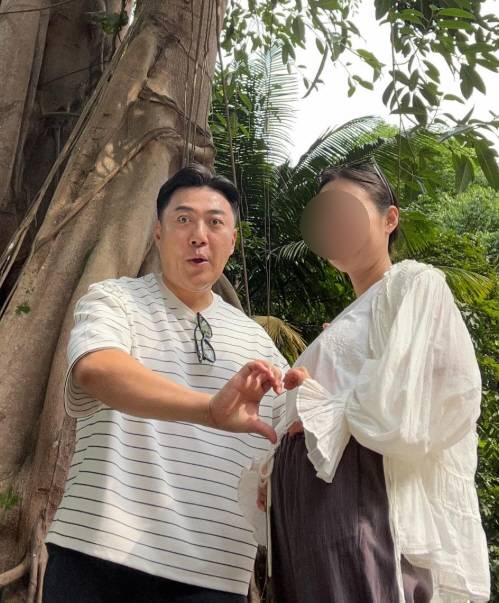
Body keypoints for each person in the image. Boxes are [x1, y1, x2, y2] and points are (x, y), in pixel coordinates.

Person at [239, 160, 490, 602]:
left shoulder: (414, 284)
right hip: (305, 516)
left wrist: (326, 406)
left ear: (389, 218)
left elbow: (433, 398)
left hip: (361, 507)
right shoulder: (344, 320)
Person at [43, 164, 288, 602]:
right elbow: (97, 369)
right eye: (183, 219)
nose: (199, 236)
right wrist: (208, 410)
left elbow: (294, 431)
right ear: (157, 233)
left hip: (214, 574)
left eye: (215, 223)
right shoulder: (114, 299)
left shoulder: (260, 344)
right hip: (98, 553)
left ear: (233, 240)